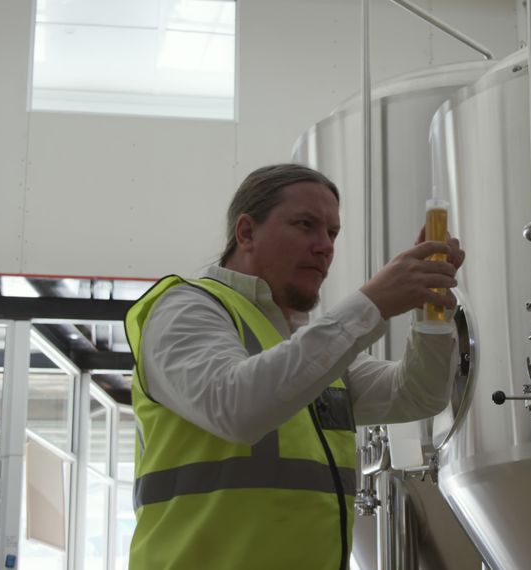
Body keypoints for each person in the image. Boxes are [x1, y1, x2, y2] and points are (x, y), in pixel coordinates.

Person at [123, 163, 464, 570]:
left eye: (332, 233)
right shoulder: (186, 309)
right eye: (306, 225)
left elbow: (416, 396)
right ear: (246, 232)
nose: (325, 246)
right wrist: (372, 303)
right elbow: (235, 407)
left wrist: (431, 312)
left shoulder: (305, 348)